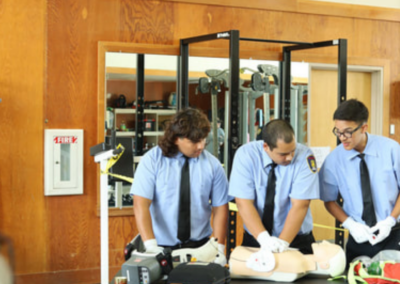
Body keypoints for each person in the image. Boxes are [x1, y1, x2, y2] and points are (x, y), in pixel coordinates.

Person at [130, 108, 229, 265]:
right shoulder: (152, 160)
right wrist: (151, 245)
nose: (201, 146)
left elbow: (220, 208)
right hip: (161, 247)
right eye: (195, 141)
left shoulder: (213, 165)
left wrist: (218, 247)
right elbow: (140, 203)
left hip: (200, 247)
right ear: (177, 138)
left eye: (204, 140)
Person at [319, 99, 400, 263]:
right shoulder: (334, 161)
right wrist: (350, 224)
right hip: (359, 237)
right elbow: (329, 200)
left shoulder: (392, 150)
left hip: (394, 233)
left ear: (364, 128)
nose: (342, 137)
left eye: (348, 132)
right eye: (338, 131)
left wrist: (390, 221)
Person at [229, 119, 319, 255]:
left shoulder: (305, 156)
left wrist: (281, 245)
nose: (290, 157)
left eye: (292, 151)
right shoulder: (246, 155)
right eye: (283, 154)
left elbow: (300, 205)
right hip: (256, 238)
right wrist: (264, 240)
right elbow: (243, 202)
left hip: (296, 240)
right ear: (266, 147)